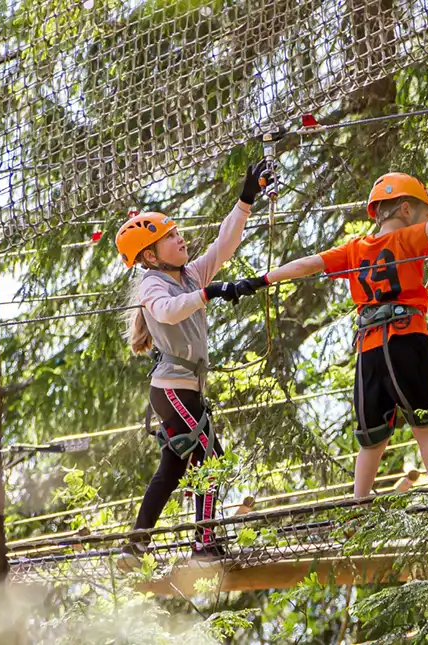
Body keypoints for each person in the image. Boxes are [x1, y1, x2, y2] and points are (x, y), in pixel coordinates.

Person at [227, 171, 428, 499]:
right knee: (426, 427)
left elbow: (307, 264)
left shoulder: (354, 250)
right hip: (407, 339)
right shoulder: (408, 239)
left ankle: (359, 502)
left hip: (369, 350)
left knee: (372, 438)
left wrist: (264, 279)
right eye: (425, 214)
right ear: (406, 210)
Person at [115, 159, 271, 570]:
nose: (181, 240)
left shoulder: (188, 275)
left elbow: (224, 245)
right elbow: (166, 312)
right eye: (171, 237)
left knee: (173, 467)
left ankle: (136, 545)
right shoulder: (154, 284)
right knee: (210, 457)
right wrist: (209, 294)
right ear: (149, 255)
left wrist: (245, 200)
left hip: (185, 388)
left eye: (178, 233)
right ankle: (203, 544)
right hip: (172, 387)